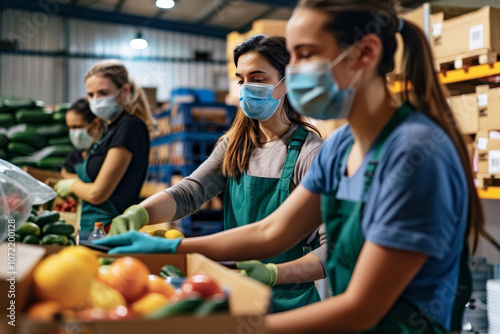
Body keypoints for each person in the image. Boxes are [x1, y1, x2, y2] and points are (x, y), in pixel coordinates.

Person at [98, 0, 485, 330]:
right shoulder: (340, 149)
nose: (295, 71)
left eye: (306, 54)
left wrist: (236, 327)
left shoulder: (415, 154)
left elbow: (364, 306)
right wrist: (172, 247)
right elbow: (271, 231)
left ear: (364, 53)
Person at [105, 35, 327, 313]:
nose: (247, 88)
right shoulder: (235, 144)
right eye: (241, 80)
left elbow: (331, 250)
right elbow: (190, 192)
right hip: (233, 293)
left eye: (258, 79)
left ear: (286, 83)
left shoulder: (310, 152)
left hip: (290, 305)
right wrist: (140, 213)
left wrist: (273, 274)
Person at [54, 60, 154, 239]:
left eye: (103, 93)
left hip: (110, 230)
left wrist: (72, 185)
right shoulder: (110, 130)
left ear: (124, 91)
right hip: (91, 227)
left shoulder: (129, 127)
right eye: (91, 95)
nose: (96, 100)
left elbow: (97, 194)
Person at [61, 98, 103, 179]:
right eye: (70, 127)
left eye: (77, 127)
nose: (73, 132)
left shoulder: (105, 151)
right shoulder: (75, 155)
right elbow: (64, 172)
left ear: (95, 124)